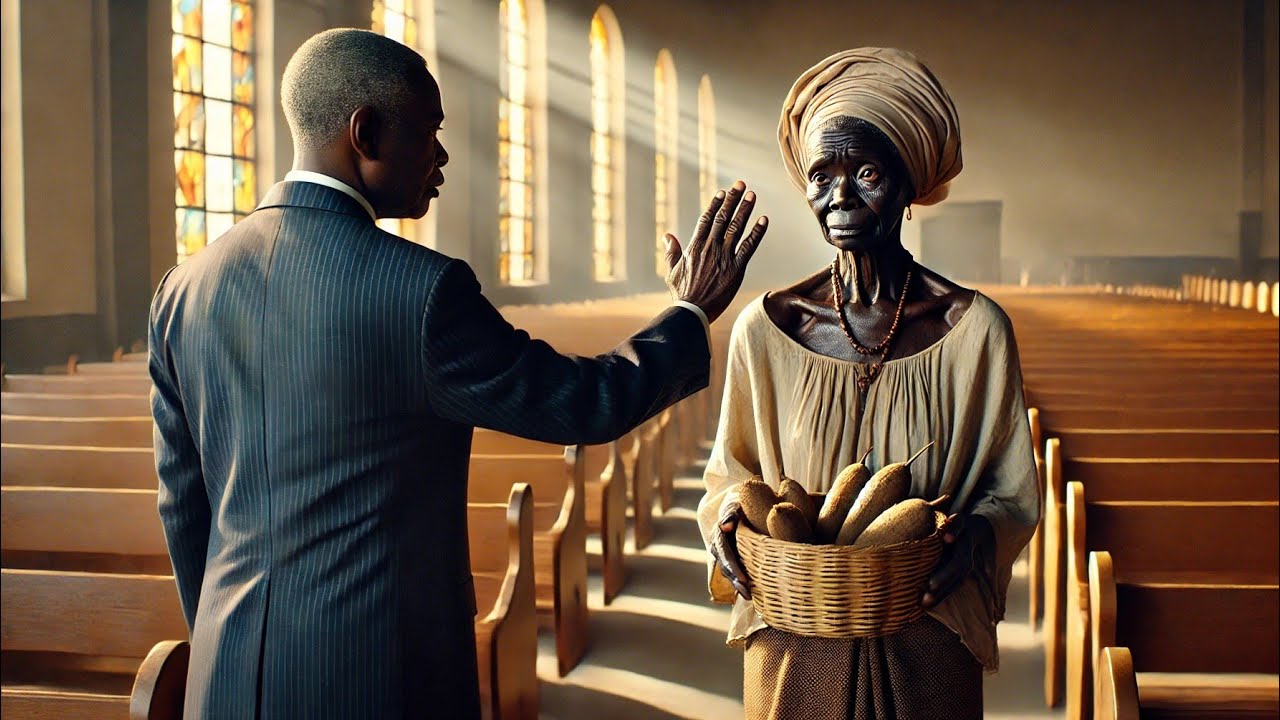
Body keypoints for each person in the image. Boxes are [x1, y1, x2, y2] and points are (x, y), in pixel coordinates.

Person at [149, 28, 767, 719]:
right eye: (428, 130)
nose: (441, 155)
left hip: (225, 676)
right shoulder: (420, 290)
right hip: (376, 678)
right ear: (366, 132)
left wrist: (226, 636)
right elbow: (585, 402)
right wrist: (690, 311)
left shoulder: (183, 289)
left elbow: (183, 507)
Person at [697, 48, 1039, 719]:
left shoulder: (976, 332)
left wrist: (975, 538)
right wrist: (728, 519)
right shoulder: (764, 331)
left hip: (927, 637)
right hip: (796, 639)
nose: (841, 196)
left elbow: (1012, 493)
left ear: (909, 183)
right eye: (821, 176)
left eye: (868, 173)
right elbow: (727, 477)